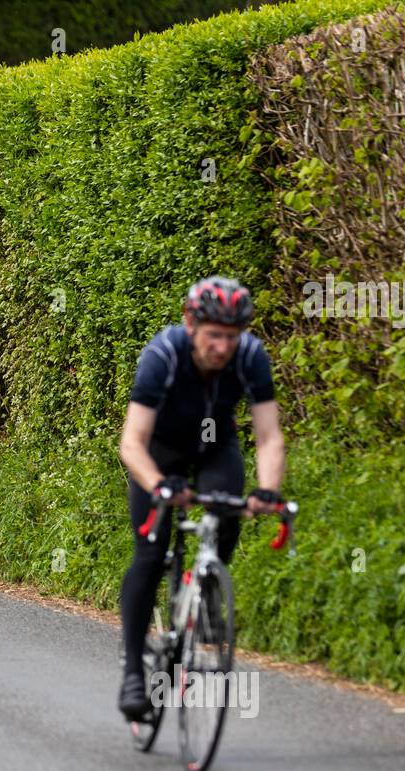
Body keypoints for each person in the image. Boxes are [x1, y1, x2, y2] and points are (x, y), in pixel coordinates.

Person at [116, 276, 286, 719]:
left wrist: (268, 490)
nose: (223, 346)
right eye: (214, 335)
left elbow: (268, 435)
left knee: (228, 509)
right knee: (149, 556)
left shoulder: (250, 357)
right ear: (191, 324)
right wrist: (158, 484)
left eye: (232, 336)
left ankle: (208, 586)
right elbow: (131, 442)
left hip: (215, 447)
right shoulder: (162, 355)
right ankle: (134, 671)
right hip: (159, 452)